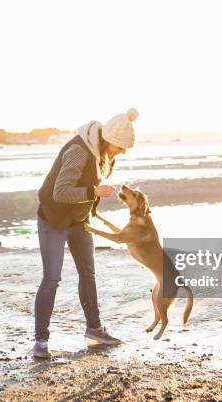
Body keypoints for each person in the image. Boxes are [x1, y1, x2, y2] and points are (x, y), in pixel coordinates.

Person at [33, 108, 139, 358]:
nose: (122, 152)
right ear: (108, 140)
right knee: (52, 278)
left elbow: (91, 188)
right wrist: (94, 192)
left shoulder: (105, 156)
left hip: (79, 220)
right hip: (53, 220)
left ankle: (94, 329)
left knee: (88, 273)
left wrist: (91, 208)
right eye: (120, 147)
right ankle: (40, 341)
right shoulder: (78, 151)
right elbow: (61, 192)